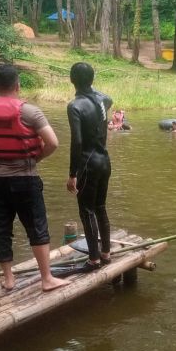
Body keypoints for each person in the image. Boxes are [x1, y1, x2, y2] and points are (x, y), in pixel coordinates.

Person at [0, 64, 69, 292]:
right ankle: (46, 279)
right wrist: (36, 158)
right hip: (26, 179)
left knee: (2, 229)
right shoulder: (30, 112)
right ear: (18, 85)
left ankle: (8, 279)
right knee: (37, 227)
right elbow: (53, 142)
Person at [66, 62, 114, 272]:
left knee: (87, 211)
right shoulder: (102, 99)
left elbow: (77, 142)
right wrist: (92, 88)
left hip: (87, 164)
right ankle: (105, 252)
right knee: (100, 207)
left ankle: (93, 259)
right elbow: (108, 98)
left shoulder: (75, 106)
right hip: (104, 160)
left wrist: (72, 174)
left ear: (71, 80)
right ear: (92, 81)